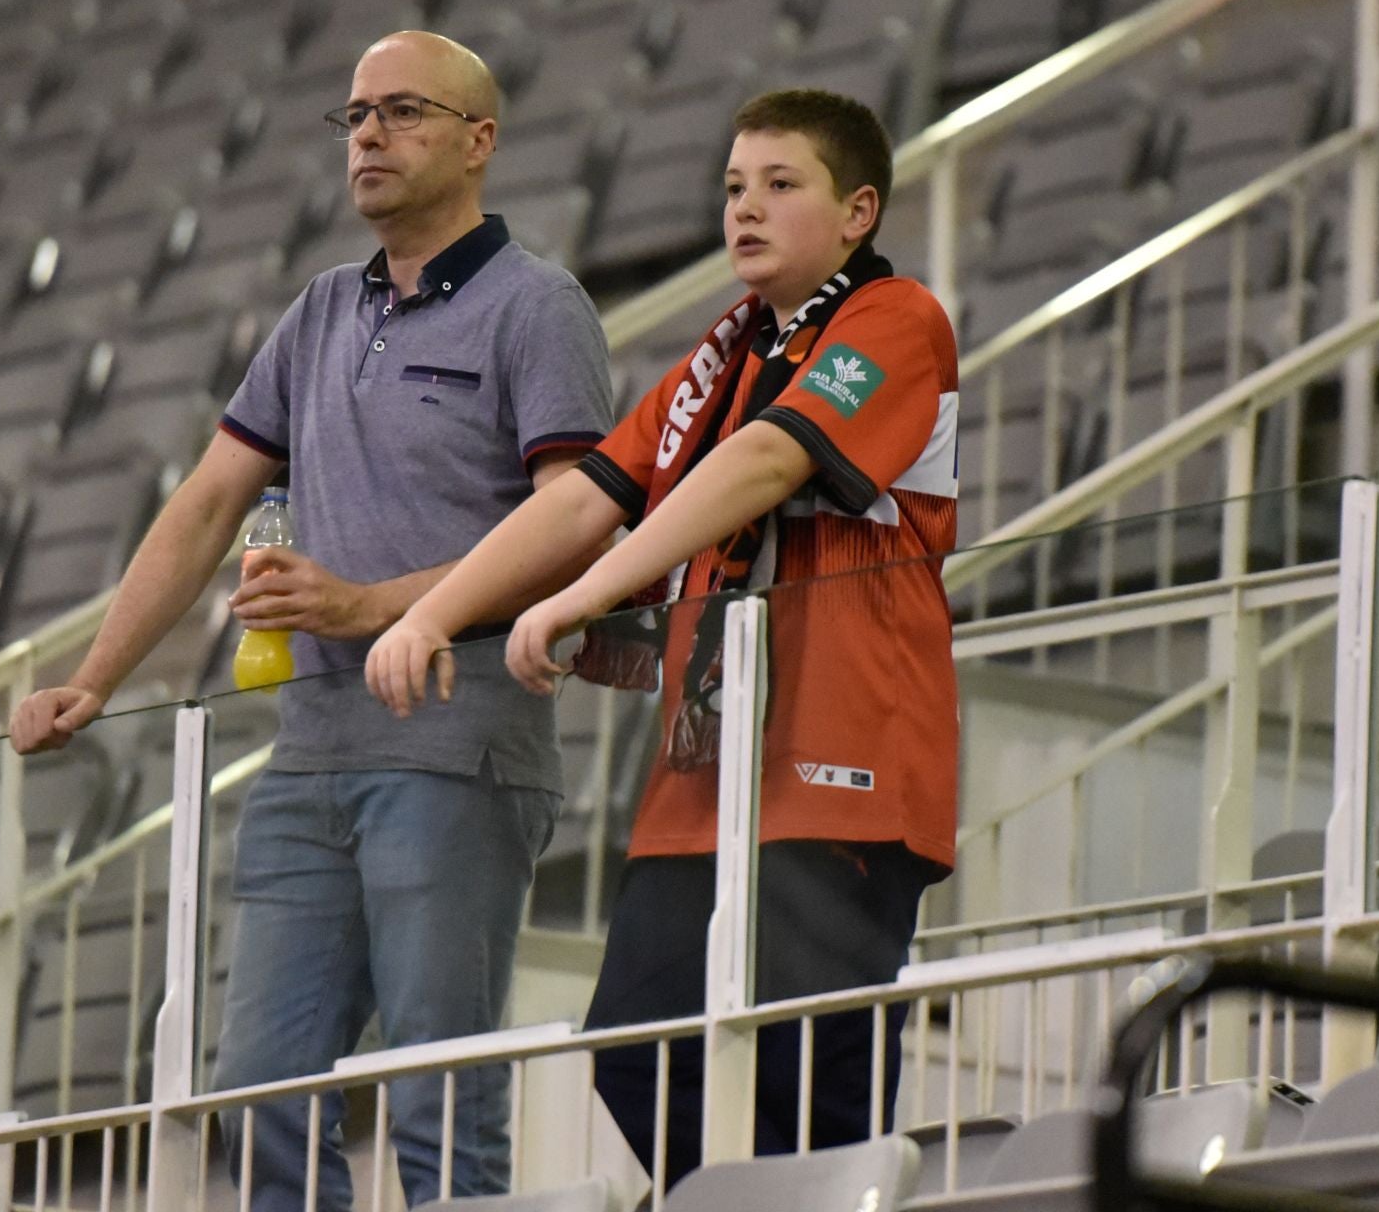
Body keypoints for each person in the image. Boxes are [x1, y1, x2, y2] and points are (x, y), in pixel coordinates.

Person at [8, 31, 614, 1210]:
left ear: (479, 140)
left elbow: (577, 527)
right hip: (310, 756)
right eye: (353, 117)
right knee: (261, 1092)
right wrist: (97, 677)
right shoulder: (323, 307)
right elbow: (202, 508)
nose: (369, 137)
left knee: (441, 1094)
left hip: (457, 747)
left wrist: (372, 604)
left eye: (401, 112)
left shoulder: (539, 308)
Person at [366, 88, 958, 1185]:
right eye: (735, 186)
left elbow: (767, 465)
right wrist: (436, 612)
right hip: (708, 778)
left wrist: (580, 593)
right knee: (636, 1051)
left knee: (805, 1090)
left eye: (783, 186)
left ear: (857, 211)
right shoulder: (719, 358)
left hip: (847, 762)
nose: (747, 207)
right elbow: (583, 498)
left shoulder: (896, 317)